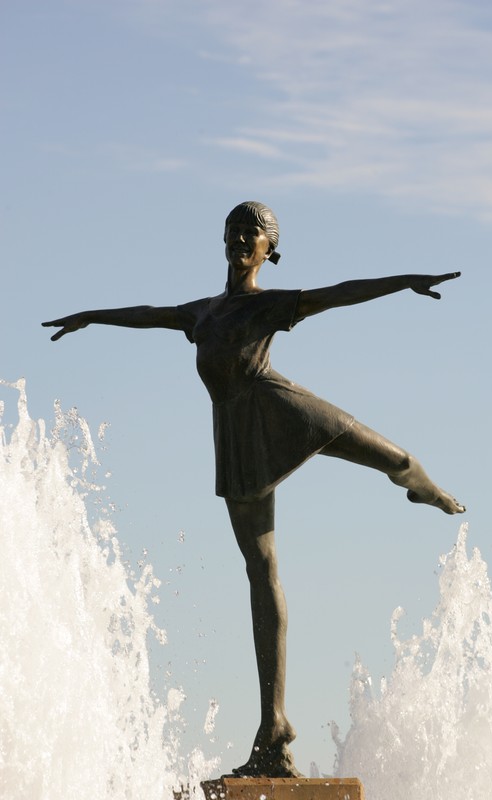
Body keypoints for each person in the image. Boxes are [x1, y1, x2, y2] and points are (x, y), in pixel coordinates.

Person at [43, 200, 465, 778]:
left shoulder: (272, 304)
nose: (243, 239)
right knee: (260, 569)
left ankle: (423, 486)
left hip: (280, 406)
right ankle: (274, 725)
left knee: (391, 455)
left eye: (254, 234)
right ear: (222, 240)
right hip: (238, 434)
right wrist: (91, 315)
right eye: (236, 231)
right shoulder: (202, 313)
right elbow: (148, 313)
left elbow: (340, 291)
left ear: (271, 249)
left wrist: (403, 282)